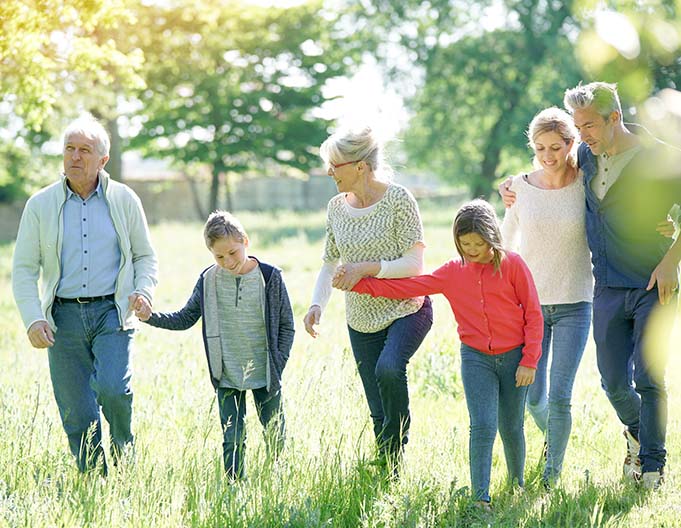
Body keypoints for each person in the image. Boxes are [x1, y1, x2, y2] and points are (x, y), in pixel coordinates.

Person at [500, 82, 681, 490]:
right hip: (606, 288)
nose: (583, 135)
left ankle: (653, 467)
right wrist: (511, 185)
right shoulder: (585, 156)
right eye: (578, 128)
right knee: (613, 381)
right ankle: (639, 431)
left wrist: (673, 258)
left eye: (589, 126)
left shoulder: (657, 158)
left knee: (650, 377)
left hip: (654, 283)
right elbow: (544, 171)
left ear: (614, 118)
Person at [344, 199, 543, 508]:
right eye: (466, 243)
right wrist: (362, 285)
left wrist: (529, 360)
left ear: (493, 237)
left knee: (511, 425)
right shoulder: (453, 271)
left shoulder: (513, 264)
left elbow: (533, 314)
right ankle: (481, 499)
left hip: (516, 358)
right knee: (482, 425)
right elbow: (409, 286)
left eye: (480, 243)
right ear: (456, 241)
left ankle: (516, 484)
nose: (473, 249)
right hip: (476, 359)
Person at [12, 114, 158, 473]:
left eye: (85, 151)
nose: (75, 157)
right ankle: (95, 480)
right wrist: (33, 319)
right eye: (69, 149)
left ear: (102, 160)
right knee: (77, 410)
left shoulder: (124, 199)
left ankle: (125, 458)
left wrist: (143, 291)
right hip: (63, 317)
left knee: (113, 390)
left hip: (112, 312)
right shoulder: (40, 205)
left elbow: (145, 256)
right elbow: (24, 270)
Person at [303, 126, 433, 472]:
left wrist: (367, 268)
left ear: (360, 166)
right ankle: (389, 469)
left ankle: (400, 435)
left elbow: (414, 263)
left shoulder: (398, 200)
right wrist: (318, 304)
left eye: (335, 165)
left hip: (406, 307)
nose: (329, 172)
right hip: (360, 317)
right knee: (376, 404)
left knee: (389, 369)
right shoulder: (336, 208)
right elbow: (330, 261)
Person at [135, 211, 294, 480]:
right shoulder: (208, 280)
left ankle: (278, 484)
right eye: (219, 257)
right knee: (232, 438)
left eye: (233, 252)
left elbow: (287, 326)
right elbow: (185, 318)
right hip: (227, 373)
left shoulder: (269, 277)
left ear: (245, 241)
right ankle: (235, 487)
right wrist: (150, 316)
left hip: (266, 374)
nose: (228, 261)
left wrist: (277, 365)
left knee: (275, 434)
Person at [500, 107, 593, 488]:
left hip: (576, 301)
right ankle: (554, 440)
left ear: (572, 144)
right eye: (540, 148)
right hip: (531, 307)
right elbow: (505, 242)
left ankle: (551, 475)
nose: (548, 155)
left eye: (556, 147)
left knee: (559, 395)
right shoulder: (518, 187)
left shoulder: (588, 183)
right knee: (533, 397)